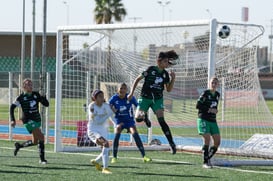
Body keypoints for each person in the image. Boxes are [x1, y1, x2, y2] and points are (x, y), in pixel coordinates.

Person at [128, 50, 178, 154]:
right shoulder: (150, 70)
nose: (167, 63)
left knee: (162, 121)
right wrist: (131, 93)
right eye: (165, 61)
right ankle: (144, 116)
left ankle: (172, 144)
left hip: (157, 100)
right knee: (138, 119)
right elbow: (137, 79)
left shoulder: (165, 74)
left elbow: (168, 89)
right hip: (145, 98)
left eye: (167, 61)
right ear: (159, 61)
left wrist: (173, 78)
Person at [109, 83, 152, 164]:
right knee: (117, 130)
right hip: (119, 121)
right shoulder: (114, 98)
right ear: (117, 90)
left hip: (129, 121)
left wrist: (142, 114)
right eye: (121, 88)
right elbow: (109, 105)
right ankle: (114, 157)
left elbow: (138, 106)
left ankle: (144, 156)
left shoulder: (130, 97)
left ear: (126, 90)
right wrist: (113, 109)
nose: (122, 90)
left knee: (135, 133)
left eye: (124, 88)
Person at [10, 78, 49, 164]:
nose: (31, 86)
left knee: (35, 141)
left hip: (37, 119)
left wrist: (43, 98)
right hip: (28, 120)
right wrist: (13, 120)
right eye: (29, 84)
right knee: (42, 137)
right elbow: (12, 107)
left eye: (31, 84)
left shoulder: (36, 94)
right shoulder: (21, 97)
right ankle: (42, 159)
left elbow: (46, 104)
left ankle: (19, 146)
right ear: (24, 86)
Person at [88, 89, 116, 174]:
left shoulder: (106, 105)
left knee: (107, 150)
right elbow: (97, 121)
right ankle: (105, 168)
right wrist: (109, 112)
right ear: (94, 98)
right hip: (93, 130)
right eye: (100, 96)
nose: (102, 98)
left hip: (103, 130)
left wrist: (116, 124)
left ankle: (96, 161)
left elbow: (111, 115)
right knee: (106, 144)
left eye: (103, 96)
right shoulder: (92, 107)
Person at [196, 77, 221, 169]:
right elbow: (198, 105)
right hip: (203, 119)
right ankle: (205, 162)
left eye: (215, 83)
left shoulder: (218, 94)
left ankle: (206, 156)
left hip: (213, 120)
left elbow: (214, 107)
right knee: (207, 138)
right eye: (212, 83)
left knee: (217, 142)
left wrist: (215, 110)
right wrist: (209, 109)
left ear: (218, 84)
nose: (214, 84)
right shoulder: (205, 93)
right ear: (209, 84)